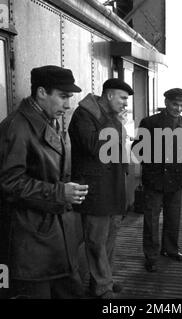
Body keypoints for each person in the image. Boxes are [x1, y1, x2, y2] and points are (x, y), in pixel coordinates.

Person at [0, 65, 88, 298]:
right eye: (63, 97)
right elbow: (8, 183)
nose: (67, 105)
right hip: (33, 243)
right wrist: (59, 193)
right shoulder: (16, 128)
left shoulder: (47, 121)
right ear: (42, 92)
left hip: (55, 239)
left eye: (70, 98)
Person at [68, 78, 133, 299]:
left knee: (109, 239)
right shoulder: (83, 115)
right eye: (123, 98)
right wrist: (116, 128)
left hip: (113, 185)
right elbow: (95, 147)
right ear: (109, 95)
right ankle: (102, 287)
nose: (125, 103)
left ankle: (104, 280)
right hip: (95, 188)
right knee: (96, 240)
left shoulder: (111, 117)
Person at [132, 88, 182, 272]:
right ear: (166, 102)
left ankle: (171, 249)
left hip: (175, 180)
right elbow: (137, 150)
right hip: (155, 180)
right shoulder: (149, 123)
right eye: (175, 104)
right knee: (151, 219)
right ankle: (151, 256)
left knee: (174, 218)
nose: (179, 108)